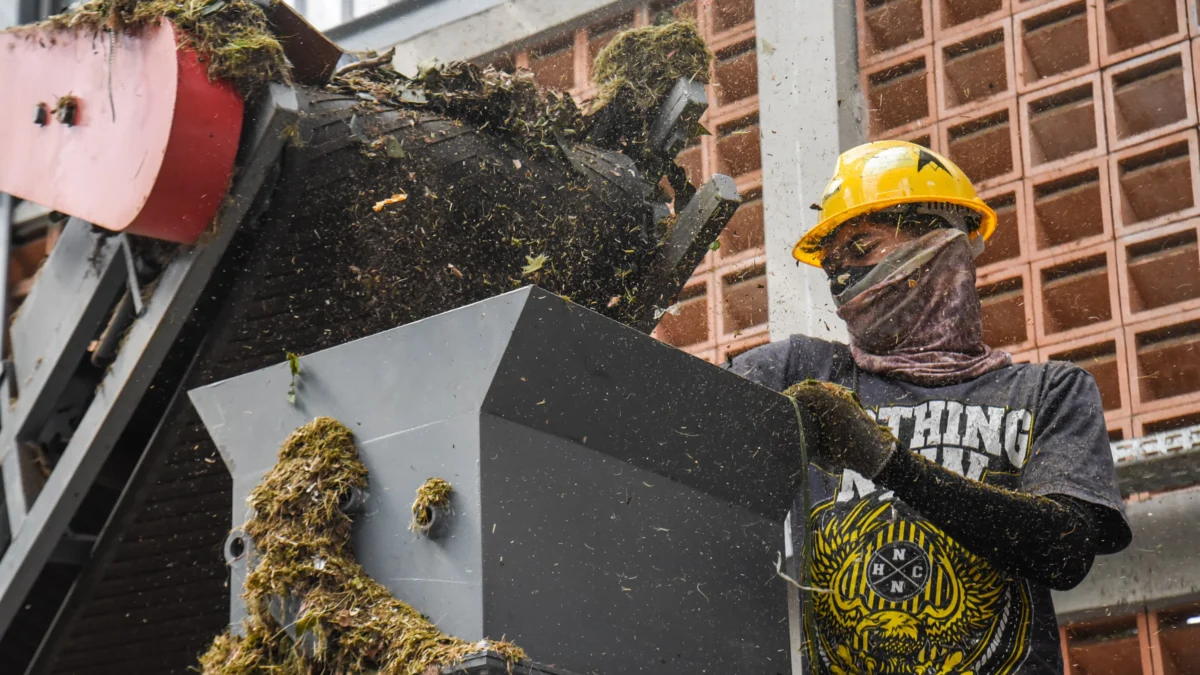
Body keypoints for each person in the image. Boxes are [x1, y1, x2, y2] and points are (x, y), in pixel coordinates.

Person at [727, 141, 1131, 675]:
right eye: (831, 265)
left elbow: (1063, 550)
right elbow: (670, 423)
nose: (841, 278)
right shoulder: (803, 371)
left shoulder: (1046, 392)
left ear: (941, 241)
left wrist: (885, 462)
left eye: (862, 248)